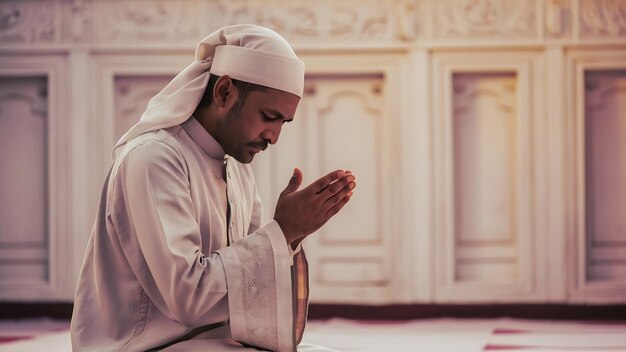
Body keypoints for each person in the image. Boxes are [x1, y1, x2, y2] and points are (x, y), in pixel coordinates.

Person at [70, 24, 356, 351]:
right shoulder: (155, 158)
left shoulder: (235, 168)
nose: (274, 137)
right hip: (144, 345)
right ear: (223, 92)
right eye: (268, 116)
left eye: (283, 123)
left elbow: (250, 282)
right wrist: (283, 231)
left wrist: (290, 237)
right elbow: (189, 298)